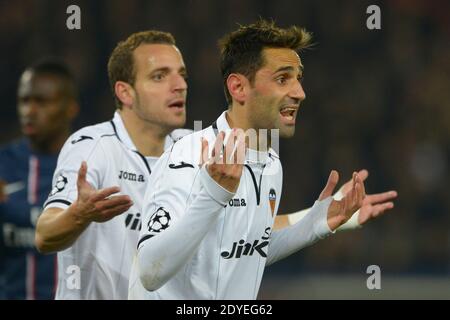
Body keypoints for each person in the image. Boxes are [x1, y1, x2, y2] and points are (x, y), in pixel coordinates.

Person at [129, 19, 391, 299]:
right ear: (239, 88)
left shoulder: (271, 164)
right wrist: (213, 196)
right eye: (282, 79)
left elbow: (244, 253)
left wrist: (313, 225)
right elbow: (149, 272)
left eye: (298, 79)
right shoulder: (188, 157)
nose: (299, 93)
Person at [35, 31, 191, 300]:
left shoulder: (193, 149)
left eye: (181, 74)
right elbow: (44, 235)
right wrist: (80, 214)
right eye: (159, 76)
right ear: (125, 92)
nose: (179, 85)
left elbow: (247, 234)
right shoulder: (92, 146)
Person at [0, 59, 79, 299]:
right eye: (24, 101)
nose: (29, 111)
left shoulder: (91, 165)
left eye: (42, 102)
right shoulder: (3, 165)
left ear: (70, 109)